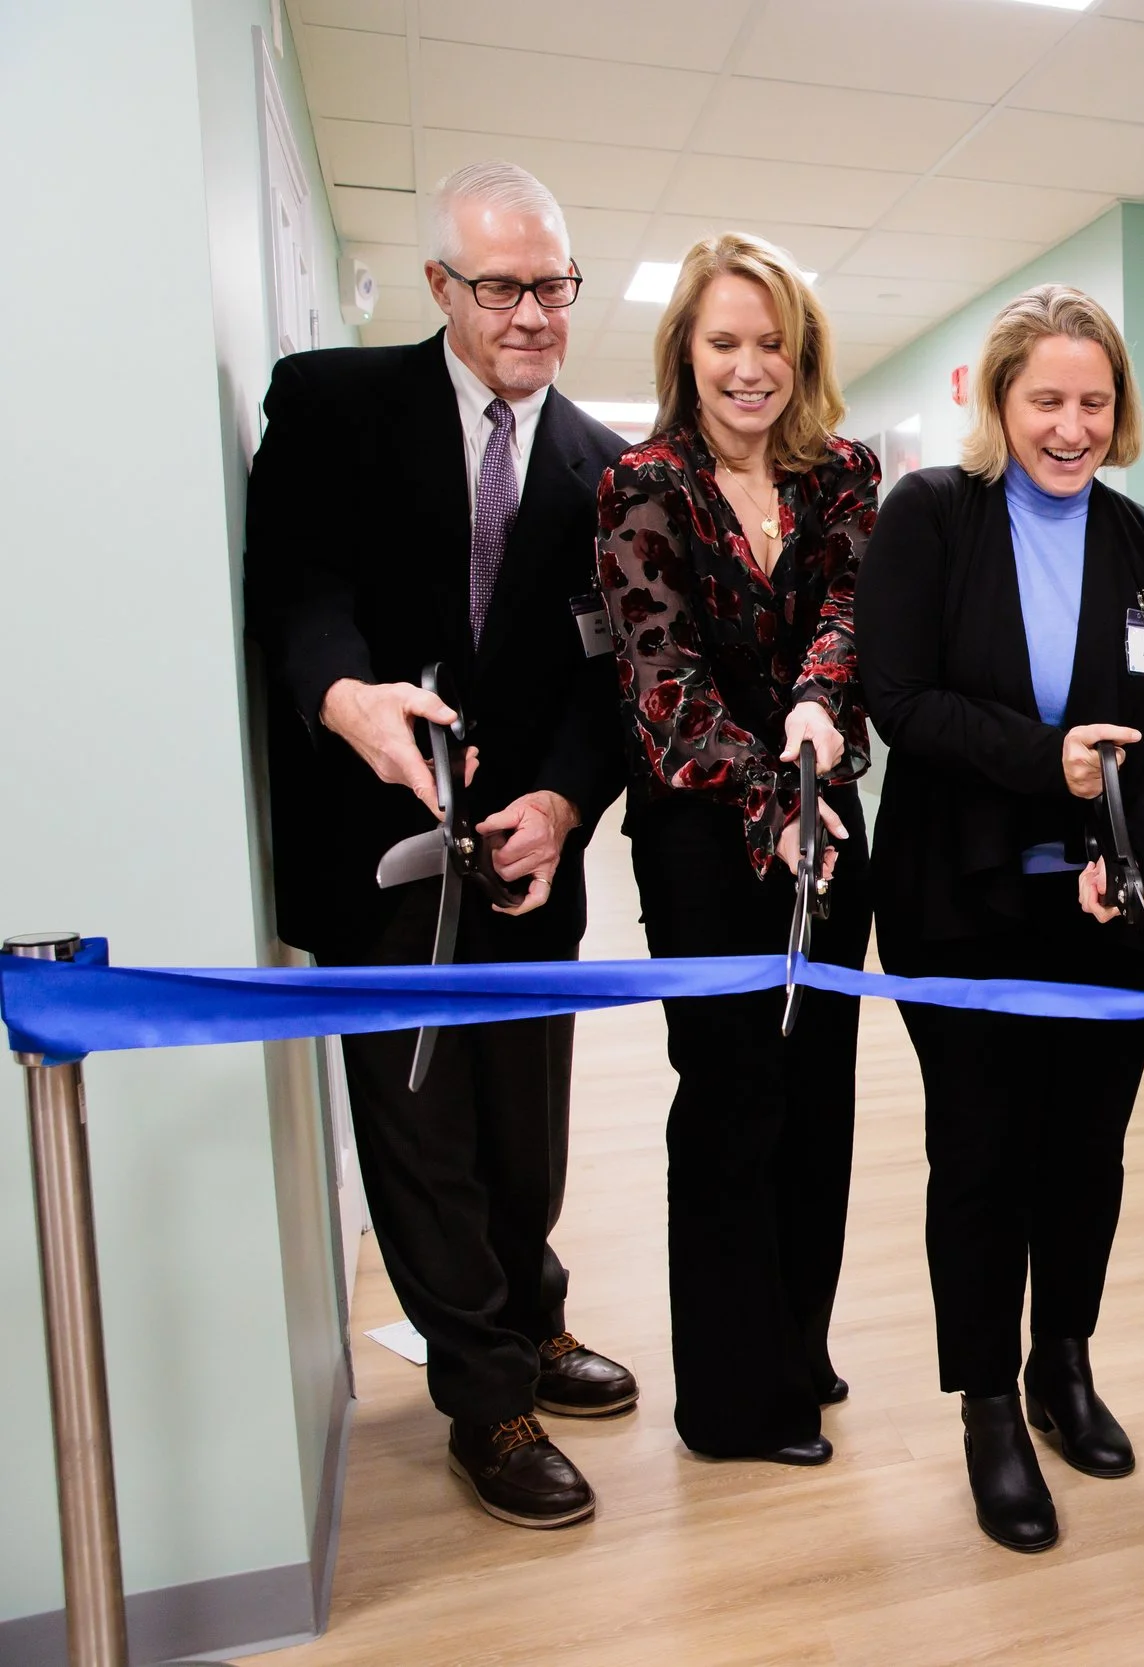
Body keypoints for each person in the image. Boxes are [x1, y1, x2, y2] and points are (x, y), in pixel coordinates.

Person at [244, 161, 634, 1530]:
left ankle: (528, 1320)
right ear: (440, 287)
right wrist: (345, 697)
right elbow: (297, 587)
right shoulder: (337, 406)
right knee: (423, 1132)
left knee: (525, 1132)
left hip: (527, 858)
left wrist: (570, 803)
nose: (532, 312)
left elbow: (614, 680)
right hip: (383, 843)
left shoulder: (605, 466)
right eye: (501, 285)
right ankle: (485, 1397)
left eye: (554, 285)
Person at [857, 284, 1144, 1554]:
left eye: (1093, 401)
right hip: (962, 904)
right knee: (983, 1157)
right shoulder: (932, 519)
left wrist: (1133, 851)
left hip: (1102, 911)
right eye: (1045, 398)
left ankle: (1064, 1364)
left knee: (1085, 1156)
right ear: (996, 401)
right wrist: (1045, 760)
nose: (1070, 425)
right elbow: (898, 696)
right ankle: (987, 1405)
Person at [595, 233, 877, 1467]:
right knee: (729, 1098)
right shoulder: (640, 485)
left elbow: (853, 617)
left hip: (828, 818)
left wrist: (819, 710)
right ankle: (727, 1400)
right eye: (725, 342)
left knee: (818, 1091)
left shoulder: (844, 475)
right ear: (686, 353)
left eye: (772, 342)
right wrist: (770, 791)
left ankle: (796, 1344)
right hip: (702, 837)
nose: (750, 366)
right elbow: (663, 680)